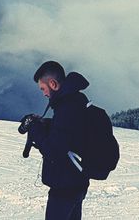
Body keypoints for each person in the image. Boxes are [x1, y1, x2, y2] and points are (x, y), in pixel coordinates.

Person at [27, 61, 92, 220]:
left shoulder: (67, 107)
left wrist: (36, 130)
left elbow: (54, 151)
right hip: (77, 183)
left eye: (43, 88)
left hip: (65, 187)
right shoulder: (75, 100)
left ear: (53, 84)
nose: (43, 93)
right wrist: (45, 124)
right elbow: (69, 134)